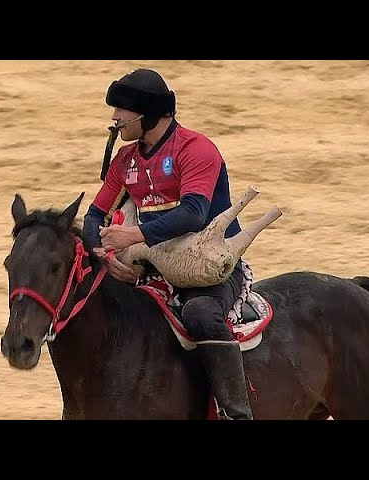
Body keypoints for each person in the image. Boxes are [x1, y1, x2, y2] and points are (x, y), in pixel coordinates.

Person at [81, 68, 253, 420]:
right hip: (152, 270)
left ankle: (236, 412)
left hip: (209, 269)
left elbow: (193, 213)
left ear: (147, 113)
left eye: (122, 110)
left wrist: (132, 236)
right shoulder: (125, 160)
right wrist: (102, 254)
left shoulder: (196, 149)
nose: (114, 117)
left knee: (201, 314)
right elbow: (94, 216)